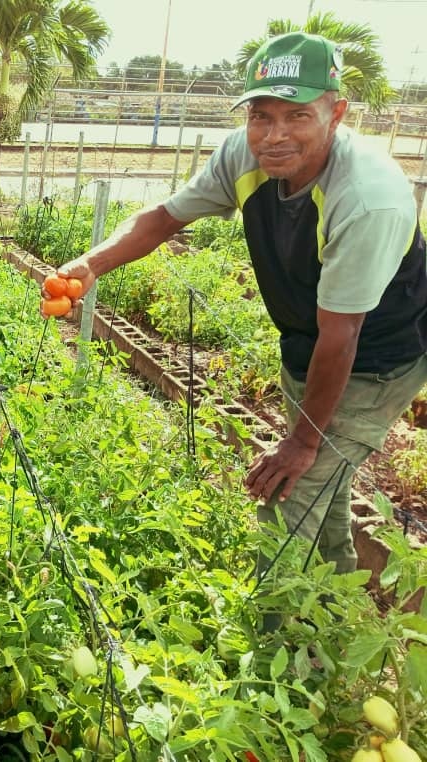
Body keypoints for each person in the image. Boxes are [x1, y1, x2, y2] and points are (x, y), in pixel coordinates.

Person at [54, 32, 427, 579]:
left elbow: (343, 335)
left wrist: (300, 442)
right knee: (324, 494)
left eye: (297, 116)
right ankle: (337, 614)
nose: (274, 136)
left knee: (288, 499)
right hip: (311, 344)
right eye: (261, 115)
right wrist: (91, 265)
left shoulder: (366, 197)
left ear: (337, 112)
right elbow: (164, 216)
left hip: (378, 358)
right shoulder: (242, 154)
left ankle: (275, 644)